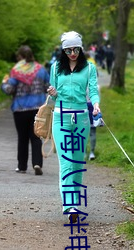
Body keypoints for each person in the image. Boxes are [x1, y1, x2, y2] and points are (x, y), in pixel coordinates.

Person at [47, 31, 100, 223]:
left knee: (77, 163)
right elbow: (53, 97)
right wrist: (52, 92)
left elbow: (93, 90)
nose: (72, 53)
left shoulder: (89, 68)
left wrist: (95, 104)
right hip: (60, 118)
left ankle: (75, 201)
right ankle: (69, 205)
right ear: (63, 50)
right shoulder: (55, 68)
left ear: (81, 48)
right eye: (68, 50)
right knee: (66, 161)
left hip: (81, 119)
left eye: (76, 49)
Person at [1, 45, 50, 175]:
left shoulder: (16, 71)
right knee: (36, 137)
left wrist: (4, 83)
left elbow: (9, 90)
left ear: (20, 57)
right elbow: (48, 87)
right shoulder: (41, 70)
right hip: (37, 109)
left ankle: (22, 166)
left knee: (22, 138)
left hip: (20, 109)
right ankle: (37, 163)